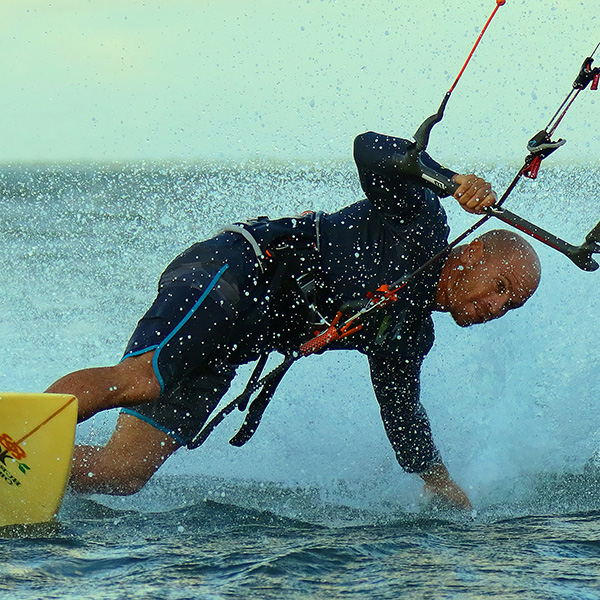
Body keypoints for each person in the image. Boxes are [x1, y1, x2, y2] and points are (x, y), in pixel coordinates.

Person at [46, 132, 541, 509]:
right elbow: (370, 149)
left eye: (510, 306)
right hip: (234, 273)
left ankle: (21, 475)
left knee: (124, 473)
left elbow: (402, 412)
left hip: (237, 344)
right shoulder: (420, 222)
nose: (497, 307)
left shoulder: (408, 333)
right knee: (142, 380)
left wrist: (438, 482)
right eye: (500, 287)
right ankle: (15, 438)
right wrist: (449, 181)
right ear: (474, 252)